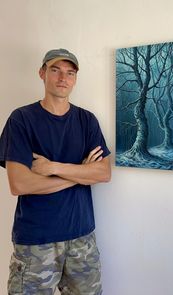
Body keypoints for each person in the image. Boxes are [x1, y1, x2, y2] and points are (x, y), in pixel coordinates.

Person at [0, 48, 111, 295]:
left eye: (70, 73)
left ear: (75, 79)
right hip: (36, 242)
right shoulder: (21, 119)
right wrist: (81, 173)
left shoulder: (87, 120)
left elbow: (103, 173)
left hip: (82, 239)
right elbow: (19, 184)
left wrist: (53, 168)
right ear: (42, 73)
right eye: (55, 70)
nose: (63, 78)